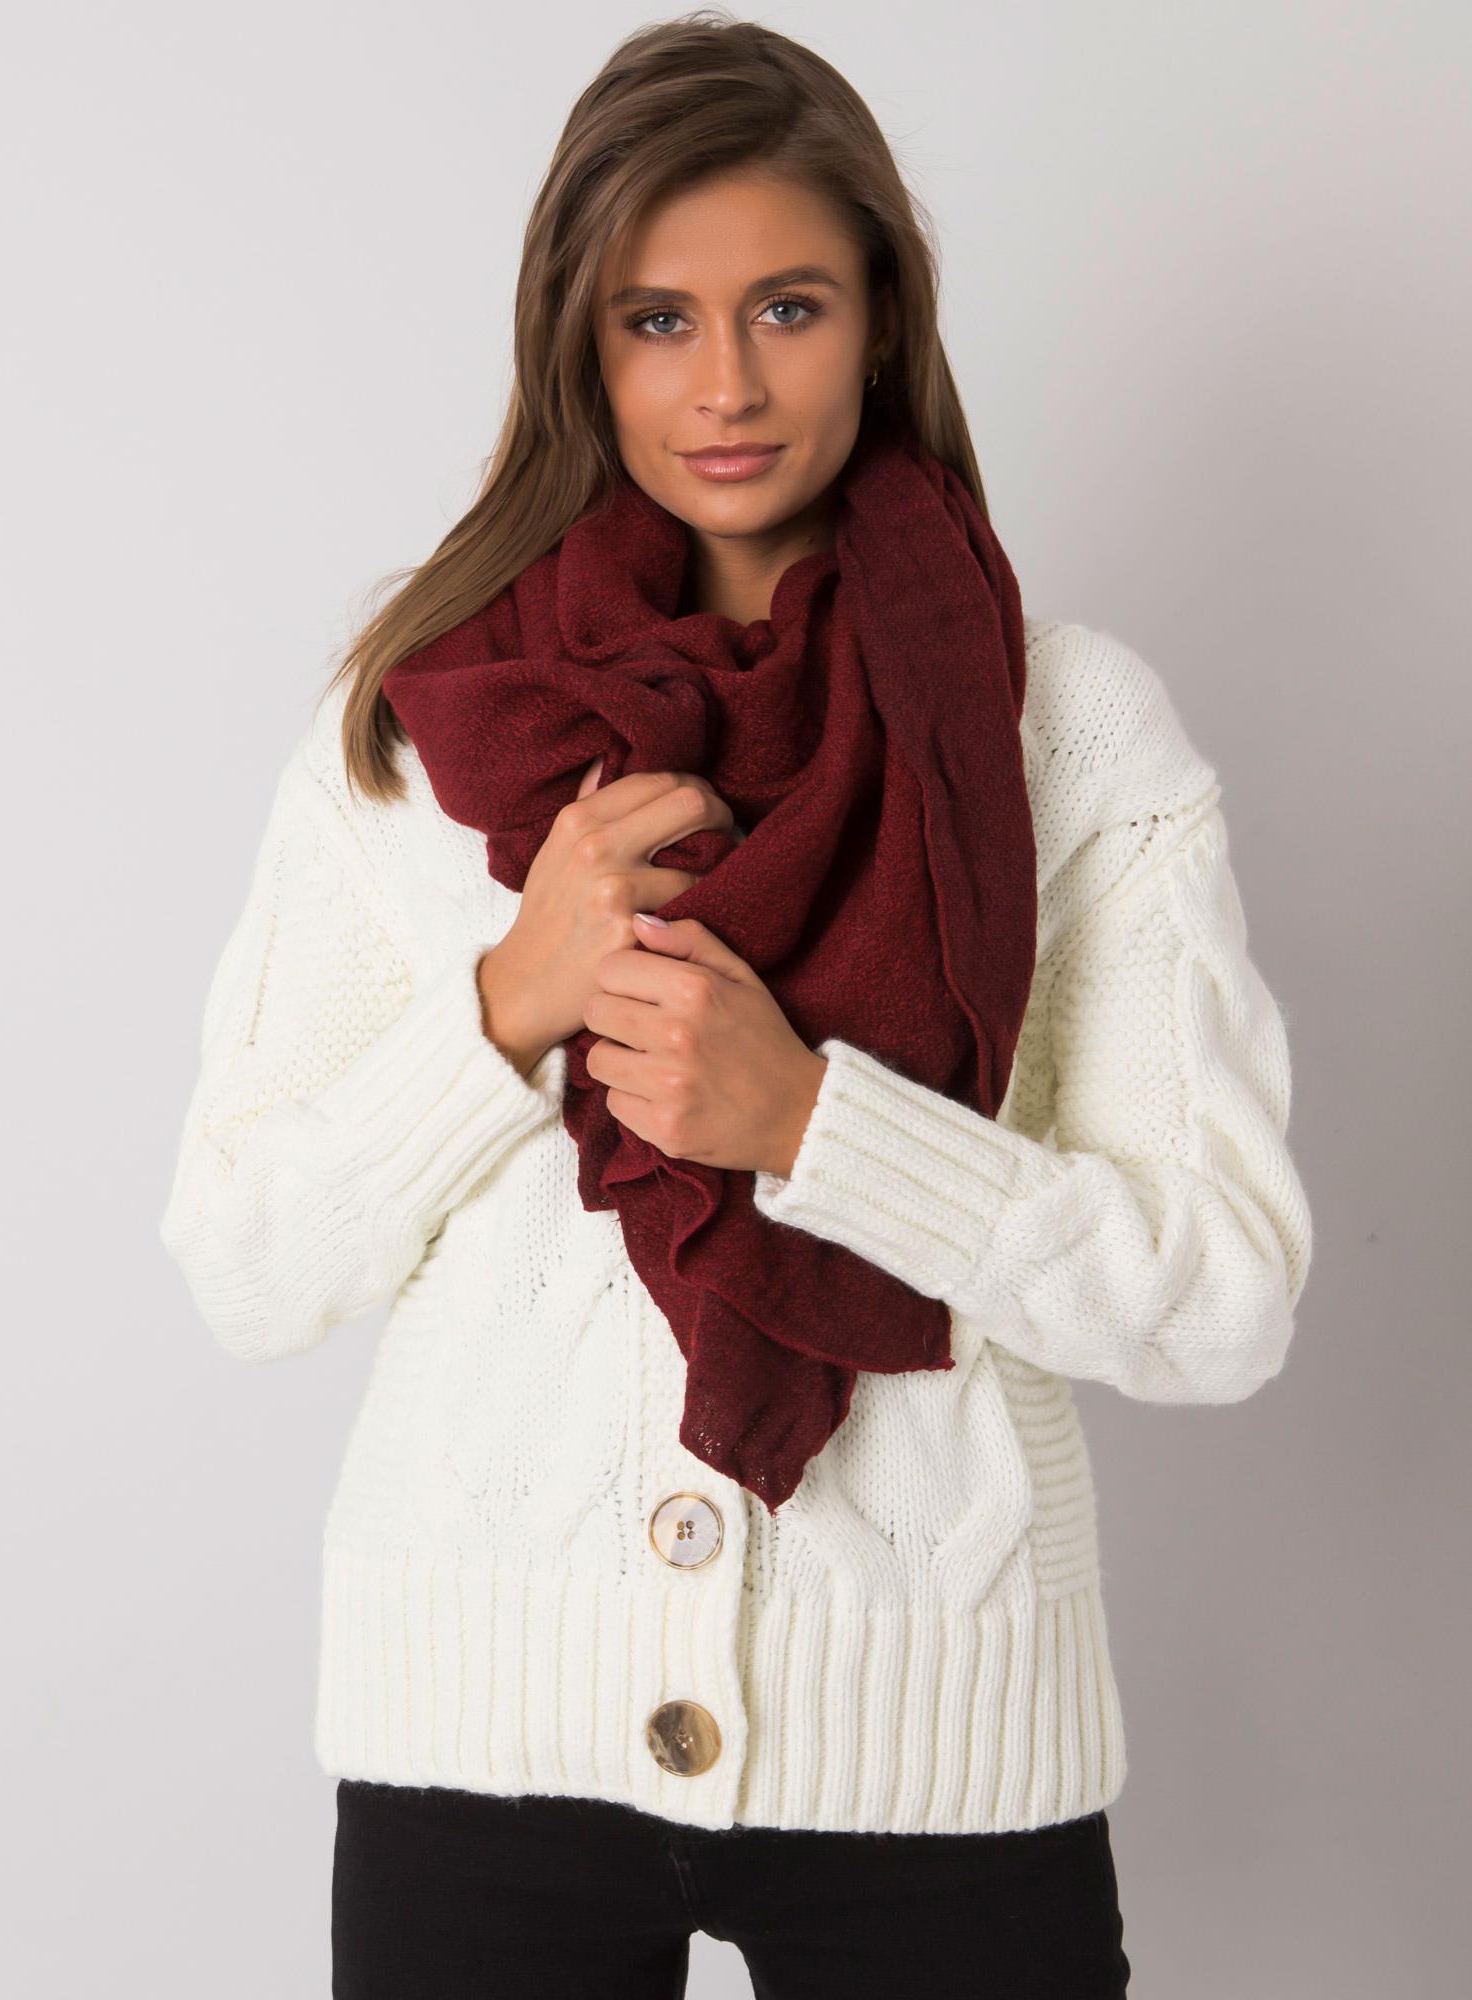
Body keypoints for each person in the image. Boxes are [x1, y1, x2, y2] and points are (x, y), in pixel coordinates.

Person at [158, 14, 1313, 1997]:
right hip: (482, 1746)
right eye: (656, 321)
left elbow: (1222, 1298)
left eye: (787, 307)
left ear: (880, 323)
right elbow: (243, 1263)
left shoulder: (1064, 727)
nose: (726, 385)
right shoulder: (425, 731)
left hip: (938, 1748)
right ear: (577, 346)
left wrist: (817, 1126)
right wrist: (507, 1005)